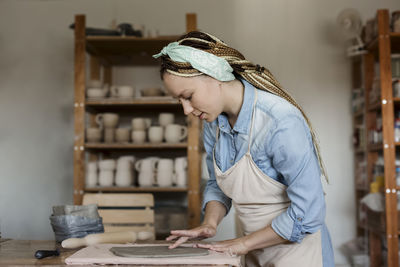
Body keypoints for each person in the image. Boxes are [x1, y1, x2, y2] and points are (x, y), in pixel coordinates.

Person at [153, 31, 334, 267]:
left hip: (300, 254)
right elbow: (217, 185)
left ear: (214, 75)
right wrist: (210, 223)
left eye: (188, 96)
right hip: (253, 250)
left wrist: (243, 244)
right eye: (180, 101)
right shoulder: (213, 122)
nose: (186, 110)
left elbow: (309, 213)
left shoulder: (280, 121)